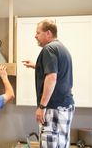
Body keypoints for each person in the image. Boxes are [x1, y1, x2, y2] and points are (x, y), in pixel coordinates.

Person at [23, 19, 75, 148]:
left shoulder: (49, 49)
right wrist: (37, 66)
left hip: (53, 107)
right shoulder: (61, 48)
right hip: (64, 105)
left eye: (38, 32)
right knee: (61, 144)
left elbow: (52, 77)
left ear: (48, 33)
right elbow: (56, 71)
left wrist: (41, 107)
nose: (35, 36)